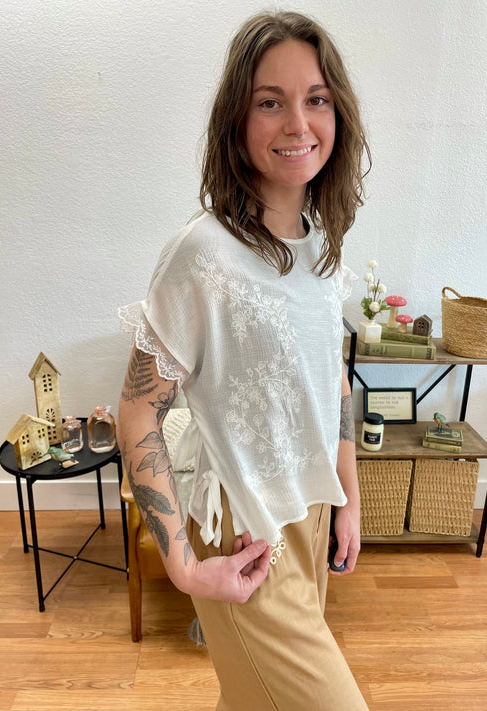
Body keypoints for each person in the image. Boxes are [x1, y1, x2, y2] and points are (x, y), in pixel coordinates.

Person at [117, 10, 371, 710]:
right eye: (269, 102)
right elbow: (137, 412)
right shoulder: (202, 254)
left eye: (315, 99)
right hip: (244, 531)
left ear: (337, 114)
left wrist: (348, 498)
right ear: (237, 118)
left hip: (310, 511)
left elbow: (329, 378)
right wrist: (181, 566)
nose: (298, 123)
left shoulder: (322, 243)